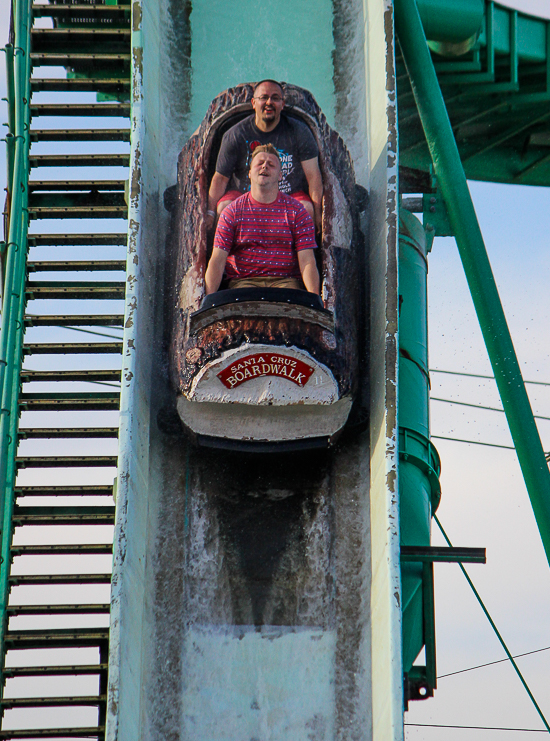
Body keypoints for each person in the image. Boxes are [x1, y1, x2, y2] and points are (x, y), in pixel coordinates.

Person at [206, 79, 323, 233]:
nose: (269, 102)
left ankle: (302, 254)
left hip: (288, 195)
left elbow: (313, 175)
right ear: (253, 103)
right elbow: (220, 178)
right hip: (245, 195)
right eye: (264, 98)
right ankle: (227, 255)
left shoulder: (299, 132)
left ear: (283, 104)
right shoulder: (235, 135)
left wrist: (319, 213)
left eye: (275, 98)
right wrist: (210, 213)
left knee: (305, 209)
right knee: (224, 207)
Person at [204, 144, 320, 296]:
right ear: (250, 173)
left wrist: (315, 298)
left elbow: (307, 261)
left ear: (280, 175)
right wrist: (207, 301)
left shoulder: (297, 211)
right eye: (260, 163)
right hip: (243, 282)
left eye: (271, 165)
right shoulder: (231, 212)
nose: (265, 166)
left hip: (285, 282)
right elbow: (217, 261)